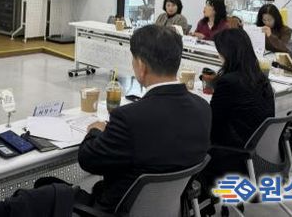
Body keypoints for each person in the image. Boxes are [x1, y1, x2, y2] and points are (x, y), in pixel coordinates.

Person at [77, 25, 211, 212]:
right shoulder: (203, 108)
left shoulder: (129, 118)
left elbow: (88, 160)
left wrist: (95, 130)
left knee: (47, 187)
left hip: (118, 209)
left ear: (141, 66)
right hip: (170, 209)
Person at [201, 29, 274, 187]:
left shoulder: (229, 82)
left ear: (228, 53)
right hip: (257, 155)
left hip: (232, 156)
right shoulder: (260, 78)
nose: (218, 56)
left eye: (220, 52)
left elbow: (213, 123)